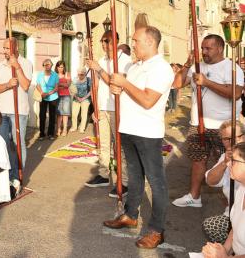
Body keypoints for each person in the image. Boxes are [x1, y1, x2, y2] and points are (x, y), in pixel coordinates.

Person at [103, 26, 174, 249]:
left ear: (151, 42)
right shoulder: (136, 67)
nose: (132, 44)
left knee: (156, 182)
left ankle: (156, 230)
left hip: (147, 132)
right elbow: (129, 91)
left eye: (136, 41)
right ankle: (130, 215)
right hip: (129, 128)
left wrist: (124, 84)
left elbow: (147, 100)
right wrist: (119, 89)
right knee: (134, 177)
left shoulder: (161, 69)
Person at [172, 35, 244, 208]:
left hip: (224, 126)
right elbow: (176, 84)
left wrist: (207, 82)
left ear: (219, 48)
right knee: (198, 160)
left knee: (228, 163)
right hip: (198, 124)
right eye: (202, 48)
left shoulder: (231, 68)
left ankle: (232, 204)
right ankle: (194, 196)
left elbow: (235, 93)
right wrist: (188, 64)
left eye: (208, 48)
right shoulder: (197, 66)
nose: (203, 52)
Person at [85, 30, 132, 196]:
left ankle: (124, 181)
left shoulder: (125, 60)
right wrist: (95, 108)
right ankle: (104, 174)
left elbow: (115, 82)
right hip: (103, 107)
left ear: (116, 41)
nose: (104, 45)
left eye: (107, 41)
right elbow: (96, 85)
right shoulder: (102, 60)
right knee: (103, 144)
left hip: (117, 108)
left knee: (119, 146)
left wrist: (98, 68)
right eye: (102, 41)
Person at [0, 38, 33, 186]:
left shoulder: (26, 63)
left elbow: (25, 85)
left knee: (18, 143)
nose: (4, 51)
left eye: (7, 48)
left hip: (19, 111)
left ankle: (18, 175)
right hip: (2, 111)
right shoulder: (0, 65)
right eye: (3, 48)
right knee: (3, 142)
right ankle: (7, 172)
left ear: (16, 48)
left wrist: (18, 68)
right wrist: (8, 85)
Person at [198, 142, 245, 258]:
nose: (228, 164)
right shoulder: (242, 189)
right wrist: (224, 250)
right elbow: (235, 228)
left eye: (233, 161)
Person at [202, 121, 245, 244]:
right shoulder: (225, 157)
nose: (232, 142)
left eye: (235, 137)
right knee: (211, 226)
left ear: (243, 136)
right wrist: (224, 163)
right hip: (233, 214)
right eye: (227, 139)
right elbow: (210, 181)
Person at [35, 58, 59, 140]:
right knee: (42, 115)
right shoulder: (40, 75)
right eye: (45, 65)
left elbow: (56, 88)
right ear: (43, 66)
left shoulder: (55, 75)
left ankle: (50, 134)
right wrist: (42, 93)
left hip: (53, 97)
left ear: (51, 65)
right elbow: (37, 85)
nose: (47, 66)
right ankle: (42, 134)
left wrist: (48, 93)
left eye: (48, 64)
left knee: (52, 116)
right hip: (43, 97)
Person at [70, 68, 92, 134]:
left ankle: (82, 128)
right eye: (79, 74)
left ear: (85, 73)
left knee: (84, 114)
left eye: (82, 74)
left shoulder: (88, 80)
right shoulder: (75, 79)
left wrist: (83, 98)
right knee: (74, 113)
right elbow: (72, 89)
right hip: (76, 98)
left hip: (86, 99)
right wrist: (77, 97)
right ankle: (74, 127)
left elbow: (91, 91)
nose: (80, 75)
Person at [55, 61, 72, 137]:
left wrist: (58, 84)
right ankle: (58, 129)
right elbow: (52, 85)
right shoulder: (54, 75)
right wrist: (62, 84)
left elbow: (67, 85)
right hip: (57, 95)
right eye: (59, 67)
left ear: (64, 67)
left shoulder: (67, 74)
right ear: (56, 67)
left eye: (62, 67)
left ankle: (65, 129)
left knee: (65, 113)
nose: (60, 68)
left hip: (66, 95)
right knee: (59, 114)